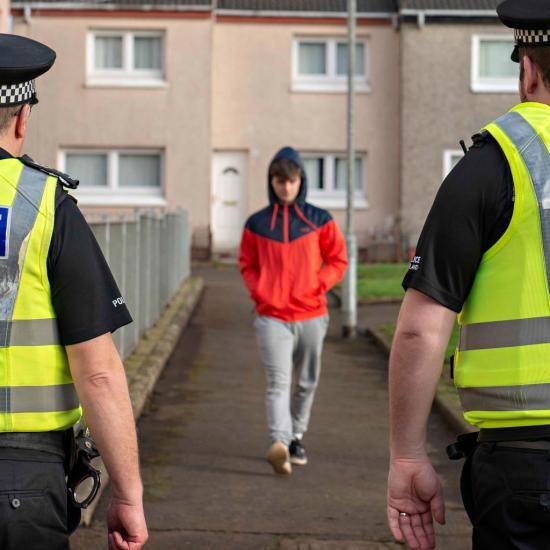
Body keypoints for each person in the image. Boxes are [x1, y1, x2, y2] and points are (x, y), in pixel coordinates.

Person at [387, 1, 550, 548]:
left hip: (528, 466)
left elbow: (420, 329)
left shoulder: (492, 166)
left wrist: (408, 455)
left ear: (527, 67)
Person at [0, 34, 147, 549]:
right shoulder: (44, 206)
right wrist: (126, 494)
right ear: (21, 117)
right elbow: (98, 371)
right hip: (20, 480)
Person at [239, 147, 348, 475]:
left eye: (292, 180)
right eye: (279, 180)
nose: (286, 187)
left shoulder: (319, 220)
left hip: (312, 315)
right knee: (278, 382)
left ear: (302, 181)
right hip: (272, 318)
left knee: (306, 383)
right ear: (271, 182)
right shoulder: (257, 224)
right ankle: (280, 444)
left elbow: (338, 261)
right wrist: (261, 292)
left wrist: (317, 285)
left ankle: (296, 435)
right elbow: (247, 264)